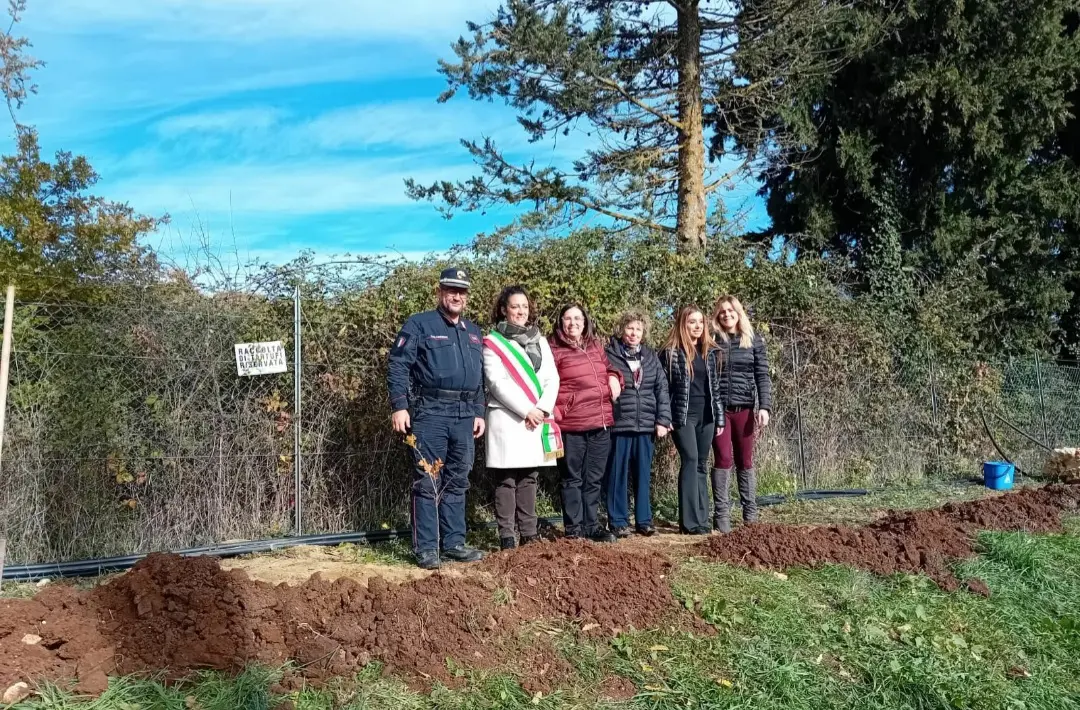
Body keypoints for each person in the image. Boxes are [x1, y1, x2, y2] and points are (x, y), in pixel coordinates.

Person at [387, 267, 487, 569]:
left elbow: (480, 377)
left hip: (464, 415)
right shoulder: (420, 324)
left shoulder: (473, 331)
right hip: (430, 412)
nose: (456, 295)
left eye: (461, 291)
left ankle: (454, 542)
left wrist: (479, 411)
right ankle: (428, 548)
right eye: (450, 289)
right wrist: (399, 405)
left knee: (458, 479)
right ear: (440, 292)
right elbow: (398, 365)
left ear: (466, 297)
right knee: (428, 479)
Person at [482, 285, 561, 550]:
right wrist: (526, 409)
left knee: (530, 476)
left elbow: (551, 377)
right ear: (504, 309)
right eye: (515, 306)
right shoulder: (493, 342)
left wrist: (542, 409)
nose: (520, 311)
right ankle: (506, 535)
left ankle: (529, 532)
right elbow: (496, 382)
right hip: (508, 417)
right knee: (506, 479)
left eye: (524, 307)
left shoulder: (539, 339)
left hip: (536, 418)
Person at [549, 304, 623, 543]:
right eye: (568, 318)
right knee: (572, 478)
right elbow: (546, 382)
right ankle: (574, 529)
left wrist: (614, 377)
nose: (573, 323)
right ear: (561, 322)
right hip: (571, 424)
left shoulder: (595, 346)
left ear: (585, 321)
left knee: (593, 479)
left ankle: (592, 526)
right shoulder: (553, 349)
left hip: (600, 423)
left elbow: (610, 368)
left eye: (577, 318)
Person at [604, 310, 671, 537]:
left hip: (646, 425)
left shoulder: (651, 357)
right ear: (622, 330)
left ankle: (644, 520)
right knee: (617, 475)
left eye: (638, 329)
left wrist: (662, 420)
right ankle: (618, 521)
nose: (633, 333)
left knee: (643, 474)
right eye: (630, 328)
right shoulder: (609, 355)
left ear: (644, 333)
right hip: (620, 424)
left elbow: (662, 389)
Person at [710, 294, 773, 531]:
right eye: (722, 311)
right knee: (723, 460)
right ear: (718, 315)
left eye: (731, 310)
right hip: (720, 412)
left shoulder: (753, 340)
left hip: (745, 411)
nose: (726, 314)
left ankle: (750, 516)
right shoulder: (713, 341)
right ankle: (722, 518)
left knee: (745, 461)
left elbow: (762, 376)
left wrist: (764, 406)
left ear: (738, 313)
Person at [661, 305, 725, 535]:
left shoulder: (712, 352)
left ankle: (702, 519)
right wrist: (665, 417)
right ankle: (688, 523)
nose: (697, 327)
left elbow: (715, 389)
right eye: (691, 322)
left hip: (707, 415)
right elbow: (664, 389)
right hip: (683, 415)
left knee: (701, 463)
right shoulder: (671, 353)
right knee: (690, 459)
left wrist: (719, 418)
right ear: (683, 324)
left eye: (700, 322)